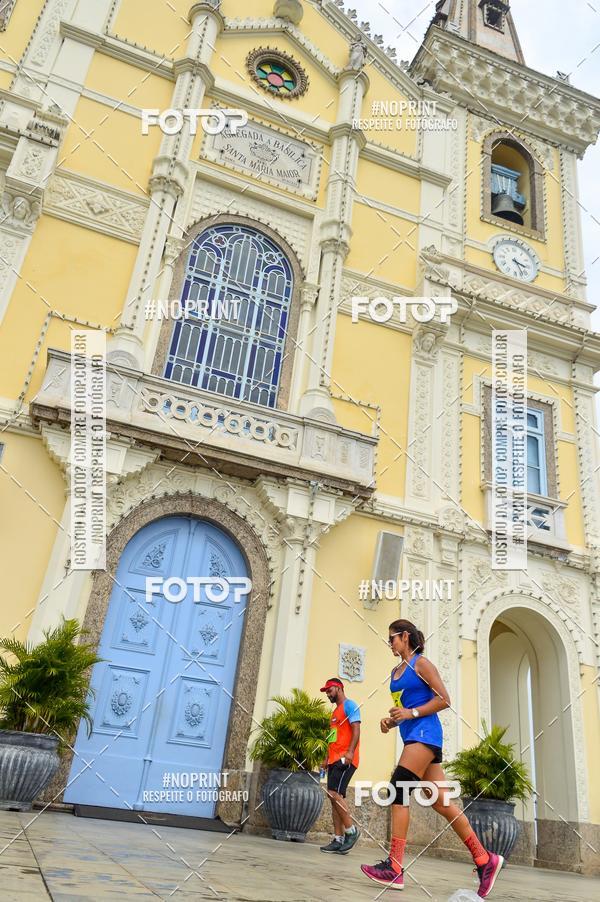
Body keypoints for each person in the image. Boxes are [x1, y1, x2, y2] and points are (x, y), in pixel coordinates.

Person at [360, 620, 504, 897]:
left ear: (405, 637)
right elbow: (406, 708)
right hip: (413, 736)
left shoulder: (421, 664)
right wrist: (393, 721)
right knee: (442, 802)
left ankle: (394, 866)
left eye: (392, 638)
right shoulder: (395, 672)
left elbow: (444, 699)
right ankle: (485, 859)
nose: (389, 644)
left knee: (398, 790)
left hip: (425, 735)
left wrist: (411, 714)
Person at [319, 677, 361, 854]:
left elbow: (356, 729)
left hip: (346, 758)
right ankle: (338, 839)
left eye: (329, 690)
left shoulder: (350, 705)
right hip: (334, 759)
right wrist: (325, 759)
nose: (328, 694)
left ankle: (351, 831)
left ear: (338, 688)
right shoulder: (335, 713)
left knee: (334, 793)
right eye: (326, 692)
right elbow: (332, 737)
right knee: (334, 797)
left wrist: (350, 752)